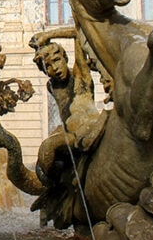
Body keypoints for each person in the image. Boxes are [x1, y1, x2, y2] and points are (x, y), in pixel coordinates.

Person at [29, 28, 107, 180]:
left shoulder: (80, 76)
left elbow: (78, 32)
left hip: (88, 132)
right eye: (48, 66)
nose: (55, 69)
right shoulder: (52, 86)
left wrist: (47, 35)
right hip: (72, 139)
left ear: (65, 58)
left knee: (48, 149)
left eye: (57, 60)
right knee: (42, 169)